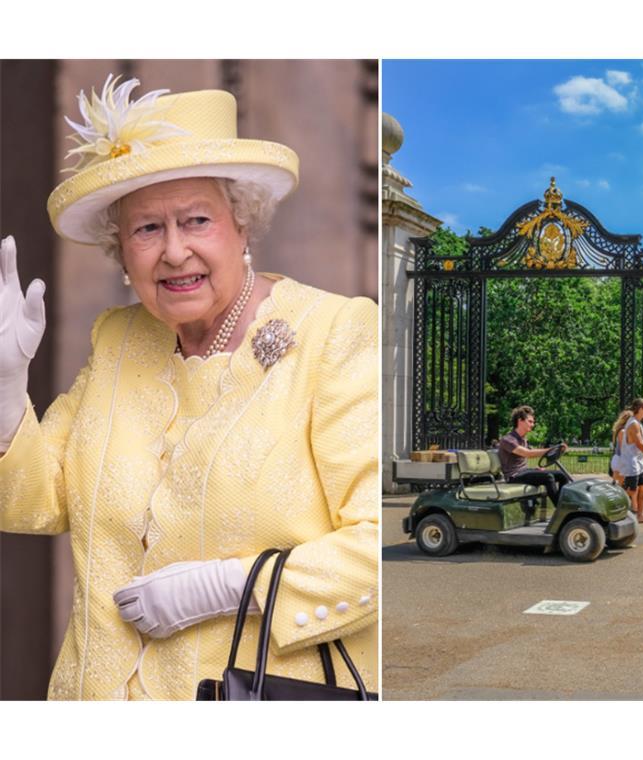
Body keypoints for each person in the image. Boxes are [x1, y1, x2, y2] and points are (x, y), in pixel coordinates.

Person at [0, 76, 377, 699]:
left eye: (196, 220)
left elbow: (377, 550)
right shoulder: (117, 340)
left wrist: (233, 586)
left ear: (242, 224)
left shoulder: (334, 332)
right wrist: (7, 388)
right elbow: (39, 499)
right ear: (121, 252)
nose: (174, 252)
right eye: (146, 229)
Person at [498, 405, 569, 506]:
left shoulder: (523, 439)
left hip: (524, 472)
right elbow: (528, 453)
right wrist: (551, 449)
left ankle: (564, 504)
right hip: (514, 476)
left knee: (562, 476)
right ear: (520, 421)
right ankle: (559, 508)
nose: (533, 424)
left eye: (533, 422)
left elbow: (534, 452)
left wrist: (559, 451)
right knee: (548, 477)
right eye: (530, 421)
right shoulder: (508, 440)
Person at [610, 407, 634, 485]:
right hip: (621, 459)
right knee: (620, 484)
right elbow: (623, 447)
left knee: (618, 483)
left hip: (619, 458)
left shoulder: (623, 430)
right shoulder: (623, 431)